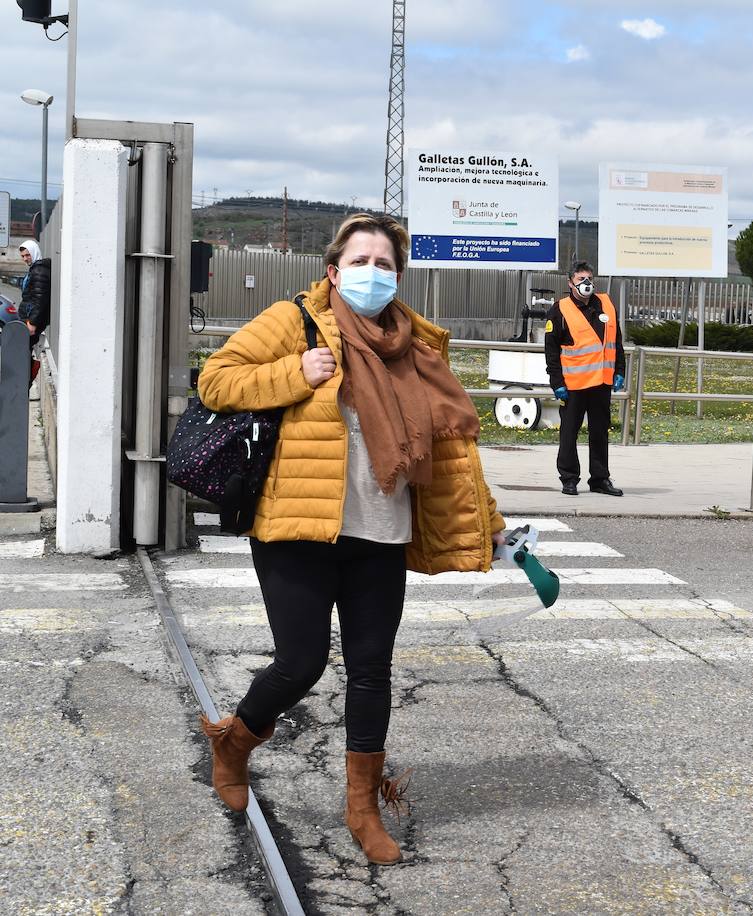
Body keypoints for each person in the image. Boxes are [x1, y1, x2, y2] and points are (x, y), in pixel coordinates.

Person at [196, 213, 505, 866]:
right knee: (300, 662)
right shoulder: (294, 321)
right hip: (298, 527)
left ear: (398, 276)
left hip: (381, 532)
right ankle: (234, 743)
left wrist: (491, 524)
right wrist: (293, 374)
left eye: (385, 264)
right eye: (360, 261)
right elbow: (215, 380)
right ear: (334, 271)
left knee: (371, 672)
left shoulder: (417, 347)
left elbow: (451, 451)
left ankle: (362, 807)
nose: (373, 272)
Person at [544, 260, 625, 496]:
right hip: (573, 385)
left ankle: (600, 479)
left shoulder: (607, 305)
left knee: (600, 432)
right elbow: (551, 351)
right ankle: (569, 478)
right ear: (570, 283)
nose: (586, 283)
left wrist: (619, 370)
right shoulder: (560, 309)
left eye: (589, 278)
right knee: (569, 432)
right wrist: (556, 383)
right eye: (580, 279)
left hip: (601, 382)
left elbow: (616, 342)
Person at [18, 240, 50, 379]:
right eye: (23, 256)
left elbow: (40, 299)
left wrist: (33, 322)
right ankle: (24, 381)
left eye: (27, 255)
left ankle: (25, 381)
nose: (25, 259)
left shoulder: (39, 270)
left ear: (34, 252)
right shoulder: (36, 269)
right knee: (24, 353)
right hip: (29, 319)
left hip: (31, 322)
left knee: (23, 354)